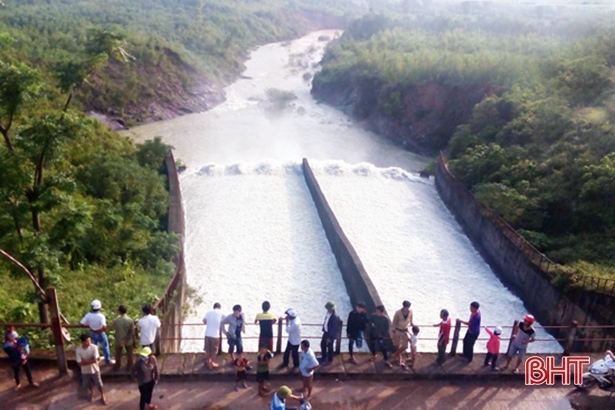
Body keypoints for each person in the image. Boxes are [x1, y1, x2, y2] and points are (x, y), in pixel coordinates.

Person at [76, 333, 107, 405]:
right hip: (85, 371)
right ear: (82, 342)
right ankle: (92, 392)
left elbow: (95, 360)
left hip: (95, 369)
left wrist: (84, 361)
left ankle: (102, 395)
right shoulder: (79, 350)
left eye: (89, 340)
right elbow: (79, 363)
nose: (89, 342)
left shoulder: (94, 347)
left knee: (99, 383)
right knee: (88, 383)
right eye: (87, 341)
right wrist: (91, 361)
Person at [80, 299, 113, 365]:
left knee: (93, 347)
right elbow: (104, 325)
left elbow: (81, 323)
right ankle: (107, 361)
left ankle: (95, 360)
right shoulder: (101, 316)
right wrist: (102, 330)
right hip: (100, 333)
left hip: (92, 332)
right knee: (105, 347)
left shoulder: (88, 315)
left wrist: (89, 325)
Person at [391, 300, 413, 369]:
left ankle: (395, 354)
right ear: (403, 307)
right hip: (397, 330)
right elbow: (394, 322)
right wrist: (393, 331)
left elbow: (411, 320)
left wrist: (413, 325)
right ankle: (399, 358)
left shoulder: (411, 312)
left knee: (405, 346)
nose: (407, 309)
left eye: (408, 307)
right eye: (406, 307)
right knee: (397, 345)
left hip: (405, 331)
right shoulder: (398, 312)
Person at [202, 302, 225, 369]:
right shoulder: (221, 313)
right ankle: (212, 363)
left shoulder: (208, 312)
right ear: (219, 307)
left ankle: (208, 362)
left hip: (207, 334)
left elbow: (204, 321)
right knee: (214, 351)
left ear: (213, 307)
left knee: (208, 350)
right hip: (215, 335)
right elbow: (226, 320)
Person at [112, 305, 135, 371]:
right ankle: (129, 366)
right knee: (129, 353)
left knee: (118, 353)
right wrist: (126, 340)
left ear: (119, 311)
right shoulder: (130, 320)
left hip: (119, 339)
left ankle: (118, 365)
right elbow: (132, 332)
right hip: (128, 339)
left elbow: (115, 328)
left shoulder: (116, 320)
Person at [319, 301, 339, 366]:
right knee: (322, 344)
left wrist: (330, 338)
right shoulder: (328, 313)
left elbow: (334, 328)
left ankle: (330, 360)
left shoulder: (335, 317)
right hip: (326, 332)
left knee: (330, 348)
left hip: (330, 334)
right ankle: (323, 357)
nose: (327, 310)